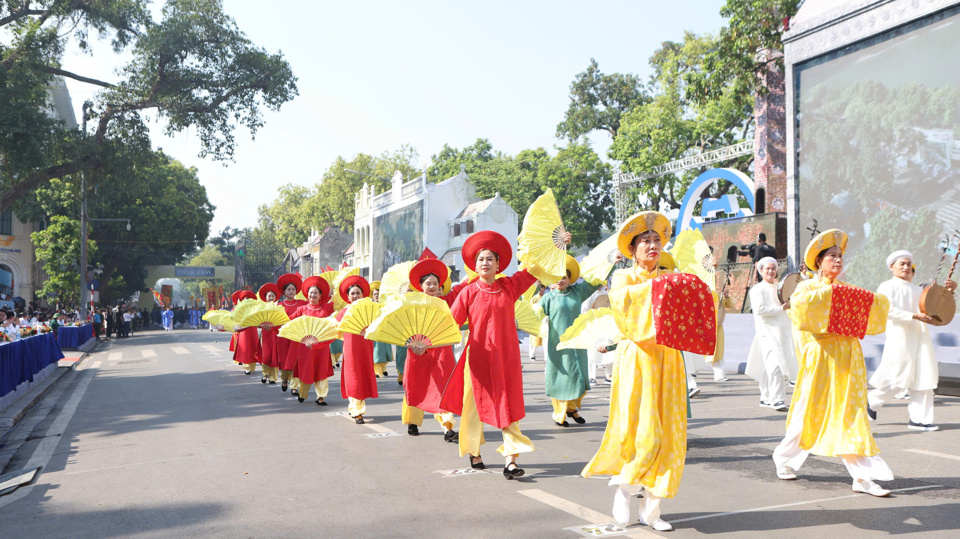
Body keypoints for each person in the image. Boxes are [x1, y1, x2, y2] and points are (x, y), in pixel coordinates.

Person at [581, 211, 707, 531]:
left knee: (668, 433)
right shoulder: (624, 279)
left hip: (668, 360)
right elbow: (625, 307)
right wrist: (662, 288)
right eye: (645, 241)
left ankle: (652, 511)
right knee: (640, 431)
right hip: (636, 361)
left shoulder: (669, 276)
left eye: (657, 240)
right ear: (633, 249)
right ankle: (624, 491)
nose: (652, 245)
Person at [439, 230, 570, 480]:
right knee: (474, 408)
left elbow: (536, 267)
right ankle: (474, 452)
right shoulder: (467, 292)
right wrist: (426, 341)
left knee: (508, 406)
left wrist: (557, 244)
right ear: (474, 265)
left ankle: (511, 460)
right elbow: (449, 324)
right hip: (477, 359)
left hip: (507, 358)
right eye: (480, 259)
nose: (485, 263)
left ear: (499, 264)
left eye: (490, 259)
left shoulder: (509, 286)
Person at [772, 229, 893, 497]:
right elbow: (801, 310)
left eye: (839, 256)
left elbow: (875, 309)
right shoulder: (807, 288)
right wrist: (833, 296)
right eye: (831, 256)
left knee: (849, 414)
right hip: (821, 356)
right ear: (818, 261)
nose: (837, 260)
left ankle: (862, 477)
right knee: (807, 413)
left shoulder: (845, 289)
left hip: (848, 355)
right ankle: (783, 457)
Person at [867, 250, 955, 431]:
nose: (906, 267)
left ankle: (919, 420)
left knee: (924, 377)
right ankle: (872, 400)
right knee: (898, 378)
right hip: (900, 338)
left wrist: (950, 291)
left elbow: (935, 307)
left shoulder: (918, 290)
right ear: (892, 267)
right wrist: (913, 315)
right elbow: (886, 311)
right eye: (902, 264)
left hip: (921, 338)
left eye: (909, 264)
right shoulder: (886, 286)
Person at [400, 250, 469, 439]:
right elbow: (403, 328)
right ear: (420, 286)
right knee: (415, 386)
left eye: (435, 283)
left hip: (441, 350)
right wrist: (412, 345)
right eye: (428, 283)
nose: (432, 286)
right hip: (418, 350)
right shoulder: (411, 304)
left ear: (440, 286)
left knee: (443, 386)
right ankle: (413, 421)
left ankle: (447, 427)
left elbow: (463, 287)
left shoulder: (446, 302)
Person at [541, 255, 616, 427]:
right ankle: (559, 414)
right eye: (557, 277)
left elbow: (597, 281)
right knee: (560, 378)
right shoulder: (548, 298)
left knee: (579, 376)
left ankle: (572, 409)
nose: (561, 280)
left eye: (564, 277)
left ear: (569, 279)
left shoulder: (577, 292)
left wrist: (611, 263)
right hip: (557, 344)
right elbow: (536, 315)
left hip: (577, 341)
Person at [744, 257, 798, 412]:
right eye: (767, 268)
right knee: (775, 366)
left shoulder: (780, 287)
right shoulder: (757, 290)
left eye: (773, 268)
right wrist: (782, 308)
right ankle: (777, 399)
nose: (770, 271)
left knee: (768, 367)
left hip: (782, 332)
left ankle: (766, 397)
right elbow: (761, 310)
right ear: (761, 271)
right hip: (766, 333)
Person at [336, 276, 378, 423]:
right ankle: (357, 410)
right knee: (353, 377)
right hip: (350, 348)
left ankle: (355, 406)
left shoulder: (370, 308)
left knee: (363, 376)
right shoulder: (344, 312)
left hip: (366, 348)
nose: (355, 296)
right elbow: (334, 328)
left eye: (358, 293)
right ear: (347, 296)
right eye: (352, 293)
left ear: (363, 295)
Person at [291, 276, 336, 404]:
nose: (313, 295)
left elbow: (339, 302)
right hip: (306, 346)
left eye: (316, 292)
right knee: (306, 369)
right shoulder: (302, 309)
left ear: (320, 295)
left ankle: (320, 396)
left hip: (321, 345)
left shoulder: (326, 308)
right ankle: (302, 393)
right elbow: (289, 320)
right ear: (307, 295)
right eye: (311, 292)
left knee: (321, 370)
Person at [276, 274, 308, 393]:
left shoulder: (302, 304)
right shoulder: (279, 306)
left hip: (297, 337)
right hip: (283, 337)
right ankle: (284, 379)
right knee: (285, 361)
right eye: (288, 289)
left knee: (295, 360)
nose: (291, 291)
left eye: (293, 289)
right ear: (284, 292)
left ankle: (294, 386)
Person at [257, 283, 282, 385]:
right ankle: (264, 373)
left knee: (274, 356)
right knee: (266, 355)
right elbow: (257, 321)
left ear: (276, 297)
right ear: (265, 297)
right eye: (269, 296)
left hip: (275, 333)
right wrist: (261, 325)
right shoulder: (261, 309)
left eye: (273, 296)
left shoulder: (279, 307)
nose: (271, 297)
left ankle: (273, 377)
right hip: (266, 334)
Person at [232, 290, 261, 375]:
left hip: (252, 330)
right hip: (243, 331)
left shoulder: (255, 309)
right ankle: (247, 367)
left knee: (253, 348)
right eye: (245, 299)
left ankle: (252, 366)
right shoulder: (239, 310)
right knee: (245, 348)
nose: (247, 300)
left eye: (248, 299)